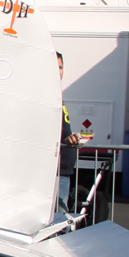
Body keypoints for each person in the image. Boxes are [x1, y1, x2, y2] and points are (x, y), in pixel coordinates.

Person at [57, 52, 80, 214]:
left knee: (61, 216)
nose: (59, 71)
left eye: (60, 67)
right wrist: (65, 139)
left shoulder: (58, 96)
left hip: (64, 171)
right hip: (53, 173)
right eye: (55, 67)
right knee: (58, 218)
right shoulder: (44, 96)